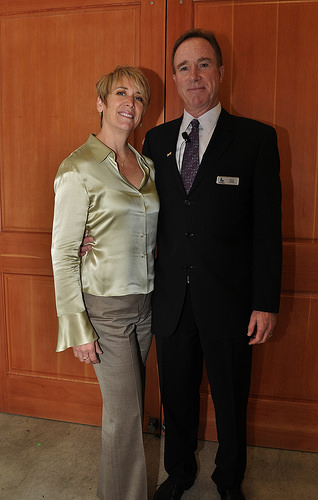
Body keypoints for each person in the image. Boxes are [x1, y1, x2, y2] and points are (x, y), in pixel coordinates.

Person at [142, 29, 282, 500]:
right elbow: (136, 213)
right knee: (176, 399)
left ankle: (228, 482)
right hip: (171, 302)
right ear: (176, 80)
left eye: (204, 64)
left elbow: (267, 229)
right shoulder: (155, 141)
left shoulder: (256, 140)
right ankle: (178, 474)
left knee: (230, 401)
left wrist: (265, 302)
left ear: (220, 74)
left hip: (230, 302)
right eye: (183, 67)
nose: (193, 75)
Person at [51, 66, 159, 500]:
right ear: (101, 102)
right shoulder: (77, 168)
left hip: (146, 304)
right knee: (124, 417)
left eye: (139, 97)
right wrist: (77, 328)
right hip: (106, 310)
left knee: (131, 410)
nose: (130, 103)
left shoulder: (147, 164)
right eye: (121, 93)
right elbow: (62, 253)